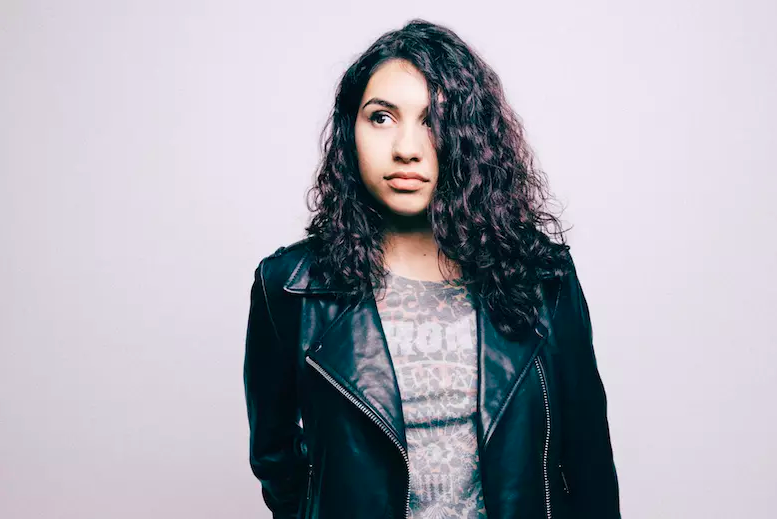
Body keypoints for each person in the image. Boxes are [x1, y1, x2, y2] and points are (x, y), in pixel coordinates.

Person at [243, 19, 620, 519]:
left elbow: (588, 461)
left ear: (470, 137)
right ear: (350, 131)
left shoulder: (542, 277)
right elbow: (276, 460)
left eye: (434, 119)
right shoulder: (290, 287)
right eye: (381, 117)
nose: (406, 148)